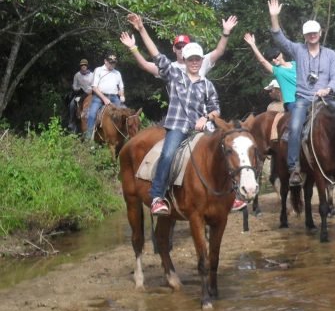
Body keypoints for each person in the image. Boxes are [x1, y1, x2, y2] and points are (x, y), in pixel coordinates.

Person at [123, 14, 221, 216]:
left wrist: (207, 118)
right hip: (178, 126)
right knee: (167, 154)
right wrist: (141, 29)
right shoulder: (175, 76)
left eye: (197, 59)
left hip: (201, 128)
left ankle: (232, 192)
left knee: (225, 149)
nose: (194, 62)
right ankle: (157, 196)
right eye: (191, 59)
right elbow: (156, 55)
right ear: (184, 60)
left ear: (201, 61)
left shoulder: (207, 84)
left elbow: (215, 108)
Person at [267, 0, 335, 186]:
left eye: (314, 32)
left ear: (320, 33)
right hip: (303, 99)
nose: (312, 36)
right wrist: (274, 17)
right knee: (294, 127)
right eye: (308, 33)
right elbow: (279, 38)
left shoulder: (330, 54)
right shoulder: (298, 50)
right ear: (305, 36)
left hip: (325, 99)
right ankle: (294, 169)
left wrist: (328, 89)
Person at [121, 15, 238, 79]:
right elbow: (145, 65)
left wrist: (226, 32)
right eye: (178, 46)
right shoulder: (170, 69)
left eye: (184, 46)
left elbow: (219, 51)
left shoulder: (199, 62)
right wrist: (133, 46)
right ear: (174, 49)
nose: (182, 49)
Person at [243, 33, 297, 112]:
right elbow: (263, 61)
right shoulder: (277, 71)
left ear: (281, 54)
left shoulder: (295, 64)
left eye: (275, 57)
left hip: (307, 97)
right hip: (292, 102)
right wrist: (253, 45)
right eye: (271, 59)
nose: (274, 60)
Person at [85, 53, 125, 140]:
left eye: (114, 63)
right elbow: (94, 87)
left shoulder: (117, 73)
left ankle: (123, 136)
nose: (112, 64)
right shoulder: (99, 70)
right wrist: (104, 98)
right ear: (105, 61)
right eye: (110, 62)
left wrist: (122, 95)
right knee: (92, 114)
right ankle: (88, 138)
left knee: (125, 114)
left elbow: (121, 87)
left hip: (114, 97)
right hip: (99, 97)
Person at [68, 58, 93, 132]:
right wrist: (77, 89)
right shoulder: (77, 75)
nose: (84, 66)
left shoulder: (92, 75)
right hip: (80, 93)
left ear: (87, 66)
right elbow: (74, 86)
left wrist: (92, 90)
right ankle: (71, 122)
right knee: (72, 104)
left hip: (90, 93)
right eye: (82, 65)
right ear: (80, 66)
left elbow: (94, 84)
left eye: (85, 65)